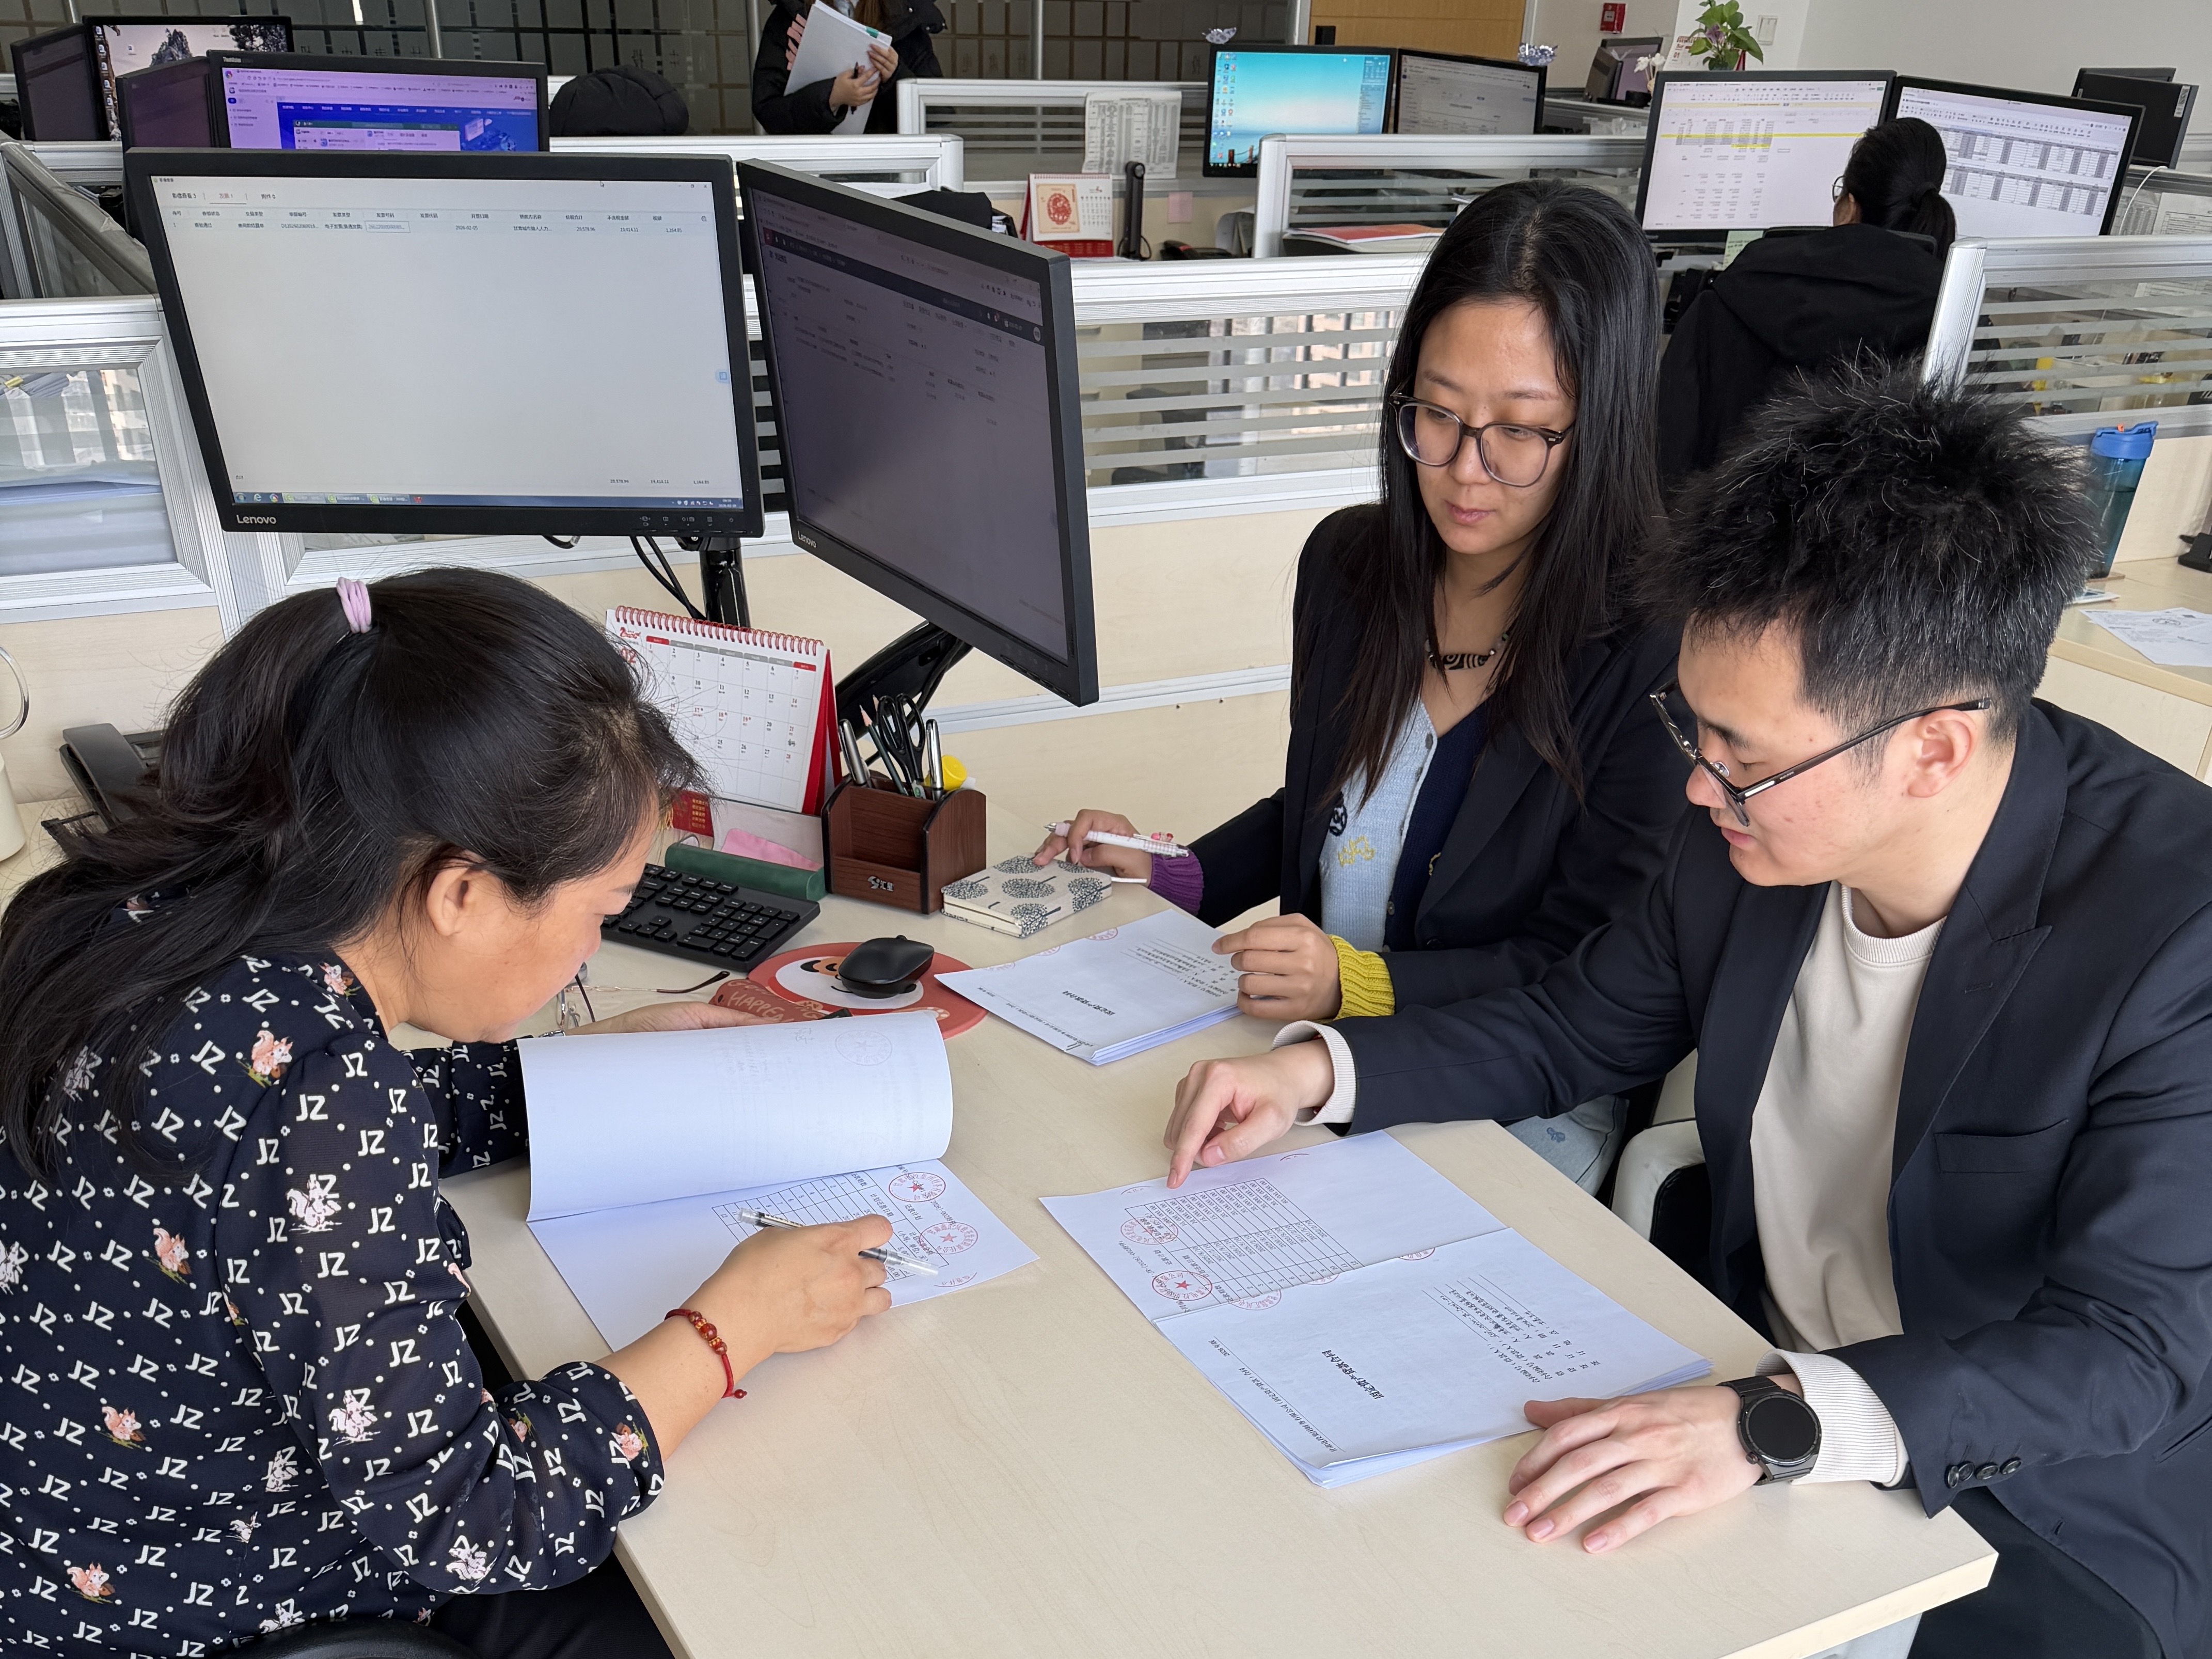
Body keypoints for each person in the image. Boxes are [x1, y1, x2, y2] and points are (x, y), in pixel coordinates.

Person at [1161, 371, 2212, 1659]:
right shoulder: (1751, 830)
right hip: (1738, 1367)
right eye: (1694, 731)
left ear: (1933, 749)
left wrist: (1773, 1422)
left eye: (1744, 757)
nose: (1701, 788)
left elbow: (2128, 1352)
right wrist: (1319, 1074)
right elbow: (1572, 1025)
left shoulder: (2177, 934)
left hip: (2026, 1499)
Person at [0, 570, 891, 1655]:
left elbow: (259, 1148)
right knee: (726, 1599)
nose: (590, 954)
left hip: (66, 1541)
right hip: (195, 1604)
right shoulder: (322, 1098)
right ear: (461, 892)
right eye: (600, 912)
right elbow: (480, 1516)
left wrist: (558, 1074)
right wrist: (736, 1322)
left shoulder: (135, 917)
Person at [1039, 180, 1687, 1191]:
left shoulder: (1658, 650)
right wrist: (1176, 874)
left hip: (1510, 1101)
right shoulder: (1349, 566)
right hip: (1299, 1060)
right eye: (1437, 413)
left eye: (1519, 431)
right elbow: (1330, 806)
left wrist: (1359, 983)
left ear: (1595, 428)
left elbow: (1583, 967)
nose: (1463, 469)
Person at [1656, 117, 1955, 489]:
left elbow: (1663, 459)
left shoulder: (1731, 294)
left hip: (1724, 524)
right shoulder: (1954, 321)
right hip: (1880, 529)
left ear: (1849, 207)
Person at [751, 0, 942, 136]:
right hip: (810, 168)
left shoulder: (907, 16)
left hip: (886, 169)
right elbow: (768, 110)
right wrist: (830, 97)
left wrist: (896, 76)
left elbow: (936, 118)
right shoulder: (791, 14)